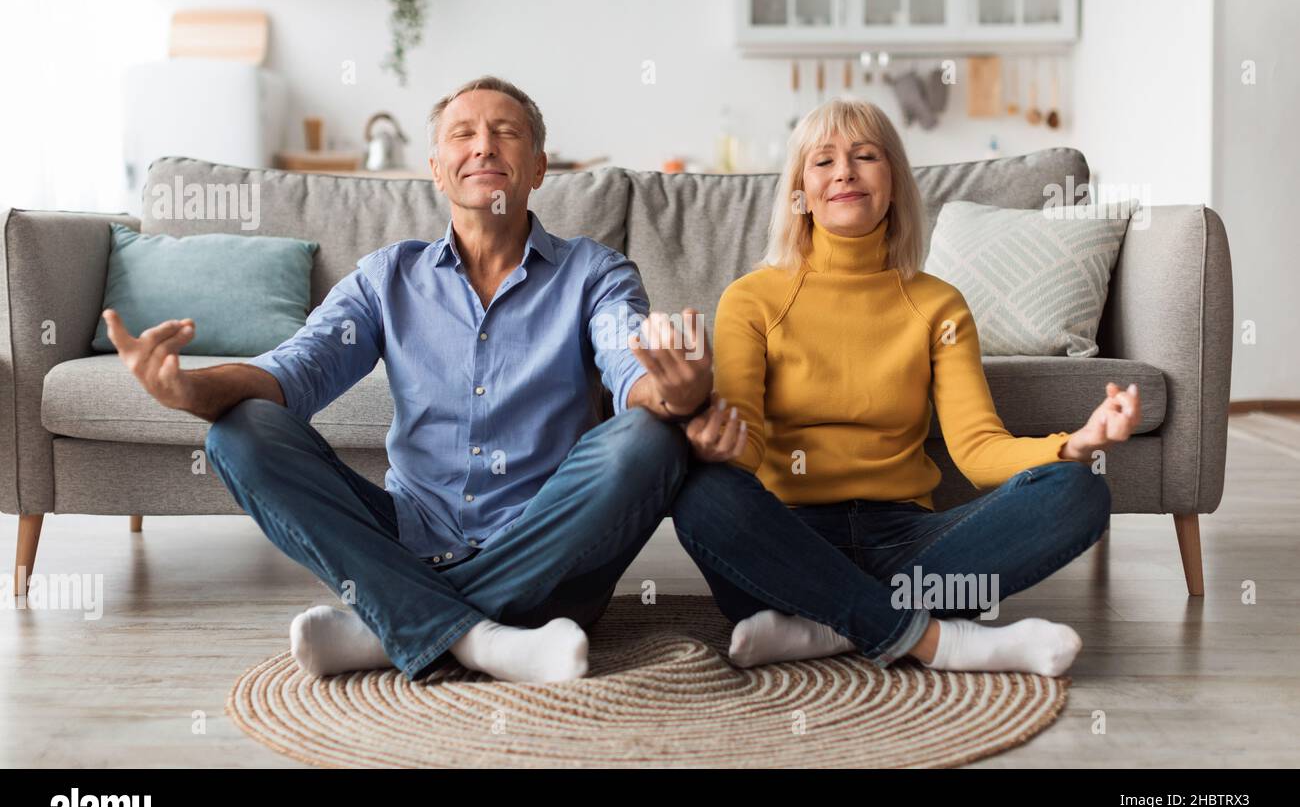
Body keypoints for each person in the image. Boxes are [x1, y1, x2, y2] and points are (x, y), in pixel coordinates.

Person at [103, 75, 714, 682]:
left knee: (651, 438)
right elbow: (293, 372)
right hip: (409, 543)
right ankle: (482, 637)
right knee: (239, 432)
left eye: (506, 133)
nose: (484, 146)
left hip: (551, 561)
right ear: (437, 168)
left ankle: (390, 626)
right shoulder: (387, 278)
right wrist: (188, 390)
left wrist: (676, 392)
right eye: (463, 134)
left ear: (538, 168)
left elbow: (630, 365)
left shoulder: (594, 273)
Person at [670, 97, 1138, 677]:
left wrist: (1073, 445)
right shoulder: (752, 299)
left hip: (906, 538)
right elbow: (747, 447)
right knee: (700, 494)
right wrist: (710, 442)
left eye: (865, 156)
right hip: (787, 537)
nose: (844, 171)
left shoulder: (938, 303)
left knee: (1078, 492)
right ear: (799, 192)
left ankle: (826, 623)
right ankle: (942, 640)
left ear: (893, 182)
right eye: (823, 162)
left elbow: (978, 448)